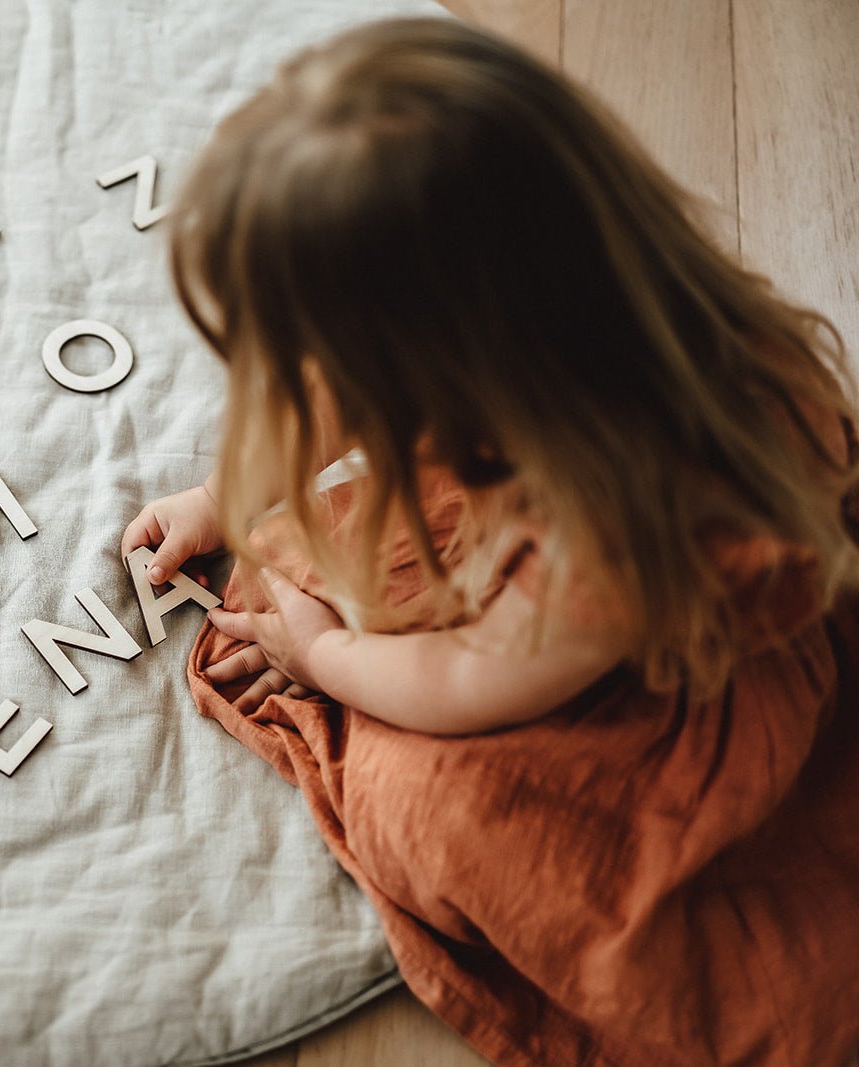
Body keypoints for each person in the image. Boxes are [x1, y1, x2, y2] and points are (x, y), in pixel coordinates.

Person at [121, 17, 859, 1066]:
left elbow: (473, 685)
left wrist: (320, 653)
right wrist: (217, 501)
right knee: (311, 543)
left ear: (447, 359)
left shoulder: (623, 505)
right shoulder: (537, 315)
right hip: (535, 557)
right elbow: (311, 407)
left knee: (439, 806)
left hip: (650, 692)